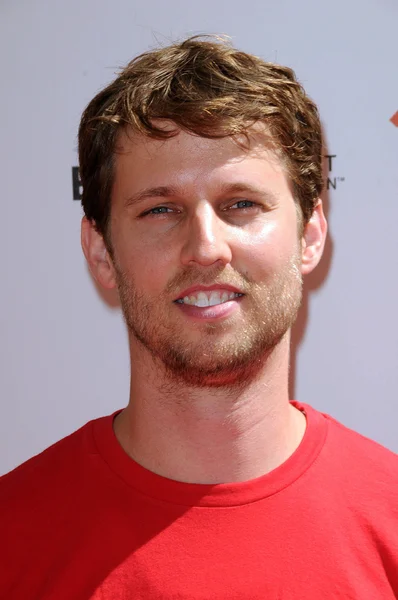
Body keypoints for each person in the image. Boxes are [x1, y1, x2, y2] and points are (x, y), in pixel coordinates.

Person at [1, 35, 397, 600]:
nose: (206, 247)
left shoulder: (390, 524)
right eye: (161, 209)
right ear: (100, 252)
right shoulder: (12, 539)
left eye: (242, 204)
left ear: (310, 236)